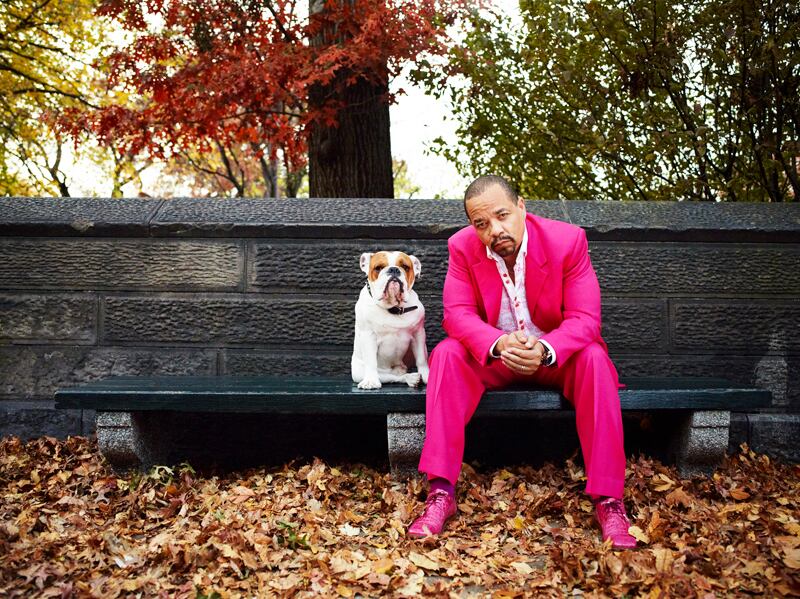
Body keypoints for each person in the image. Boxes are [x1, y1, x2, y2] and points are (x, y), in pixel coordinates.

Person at [408, 175, 637, 549]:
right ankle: (441, 492)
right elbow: (457, 315)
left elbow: (585, 318)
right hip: (497, 356)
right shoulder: (462, 247)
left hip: (555, 357)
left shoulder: (567, 241)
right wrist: (499, 343)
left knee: (594, 358)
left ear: (521, 208)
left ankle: (609, 500)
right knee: (447, 353)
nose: (494, 230)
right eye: (481, 223)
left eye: (502, 216)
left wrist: (545, 349)